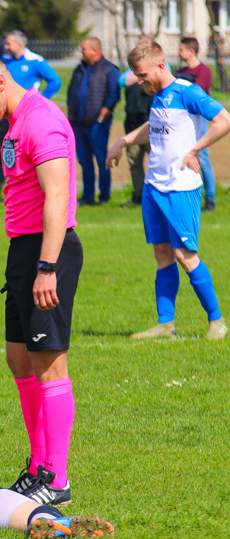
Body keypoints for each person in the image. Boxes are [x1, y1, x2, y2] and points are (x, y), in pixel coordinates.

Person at [0, 51, 81, 506]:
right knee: (19, 359)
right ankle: (38, 465)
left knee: (50, 363)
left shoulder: (40, 119)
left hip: (48, 250)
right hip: (22, 250)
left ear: (1, 80)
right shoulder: (14, 122)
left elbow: (57, 195)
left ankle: (57, 477)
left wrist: (46, 267)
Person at [107, 41, 229, 341]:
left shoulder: (188, 92)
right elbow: (154, 126)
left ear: (161, 66)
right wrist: (122, 141)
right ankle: (165, 325)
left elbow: (224, 121)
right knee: (162, 254)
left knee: (184, 255)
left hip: (180, 188)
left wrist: (195, 150)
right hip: (154, 187)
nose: (139, 80)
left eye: (142, 74)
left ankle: (217, 322)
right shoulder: (159, 95)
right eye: (136, 75)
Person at [0, 31, 62, 206]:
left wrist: (39, 101)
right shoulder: (4, 61)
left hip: (27, 118)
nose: (6, 46)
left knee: (28, 154)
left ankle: (32, 193)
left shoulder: (36, 61)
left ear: (19, 44)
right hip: (6, 117)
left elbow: (55, 81)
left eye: (9, 43)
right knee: (5, 153)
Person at [67, 37, 120, 206]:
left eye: (84, 49)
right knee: (84, 160)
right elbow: (71, 91)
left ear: (95, 51)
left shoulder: (109, 69)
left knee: (101, 158)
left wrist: (103, 114)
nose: (81, 52)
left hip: (98, 124)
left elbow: (114, 94)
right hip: (78, 123)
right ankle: (88, 196)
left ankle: (104, 195)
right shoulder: (79, 69)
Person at [177, 37, 217, 211]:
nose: (179, 53)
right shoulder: (180, 71)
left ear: (191, 51)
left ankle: (210, 197)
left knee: (202, 157)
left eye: (181, 49)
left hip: (197, 120)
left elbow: (194, 92)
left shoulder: (204, 70)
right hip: (181, 119)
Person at [118, 36, 155, 209]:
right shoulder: (132, 69)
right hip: (132, 123)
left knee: (154, 162)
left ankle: (154, 197)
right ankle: (138, 196)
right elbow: (121, 81)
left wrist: (135, 76)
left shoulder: (159, 67)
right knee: (134, 163)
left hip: (151, 124)